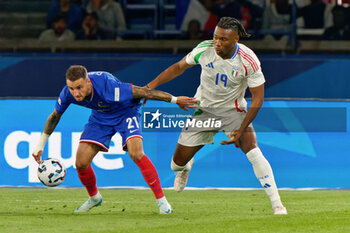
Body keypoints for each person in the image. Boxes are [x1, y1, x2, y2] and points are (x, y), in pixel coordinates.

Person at [145, 17, 287, 215]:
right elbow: (178, 67)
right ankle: (186, 168)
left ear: (236, 39)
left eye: (223, 39)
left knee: (253, 151)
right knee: (175, 165)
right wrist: (150, 88)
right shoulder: (205, 49)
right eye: (215, 37)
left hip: (233, 111)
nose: (218, 43)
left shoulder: (248, 60)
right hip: (203, 109)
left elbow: (258, 99)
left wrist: (241, 128)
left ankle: (277, 204)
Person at [32, 65, 198, 214]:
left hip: (125, 111)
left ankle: (162, 202)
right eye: (72, 88)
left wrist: (175, 100)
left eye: (79, 88)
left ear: (88, 82)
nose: (75, 93)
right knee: (81, 162)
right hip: (100, 117)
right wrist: (40, 144)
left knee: (136, 153)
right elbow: (54, 116)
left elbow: (144, 92)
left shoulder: (108, 87)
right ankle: (95, 198)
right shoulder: (68, 93)